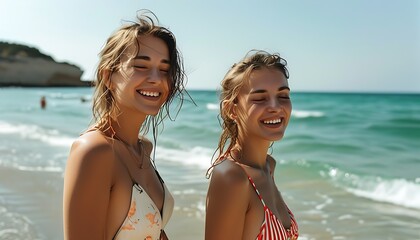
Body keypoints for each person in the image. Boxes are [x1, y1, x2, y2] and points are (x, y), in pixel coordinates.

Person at [63, 10, 187, 240]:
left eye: (164, 70)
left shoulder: (143, 149)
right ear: (108, 76)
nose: (156, 79)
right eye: (141, 66)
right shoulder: (94, 151)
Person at [205, 51, 299, 240]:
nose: (275, 106)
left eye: (283, 96)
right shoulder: (232, 177)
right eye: (260, 98)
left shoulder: (268, 166)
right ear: (231, 109)